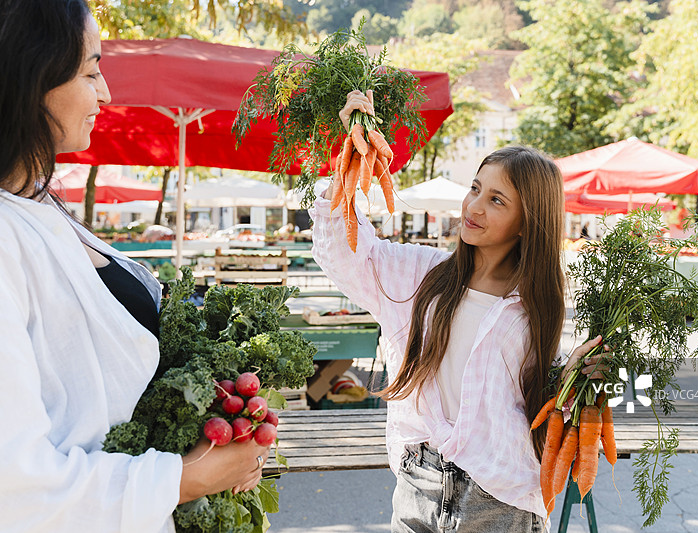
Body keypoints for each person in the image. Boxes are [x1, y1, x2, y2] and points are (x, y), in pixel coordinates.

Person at [0, 2, 268, 531]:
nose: (106, 93)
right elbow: (14, 482)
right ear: (31, 75)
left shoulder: (41, 207)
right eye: (91, 70)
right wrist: (188, 476)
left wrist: (216, 409)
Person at [311, 90, 609, 533]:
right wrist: (353, 155)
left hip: (498, 499)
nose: (473, 207)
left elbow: (532, 398)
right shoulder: (421, 276)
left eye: (497, 200)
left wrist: (574, 378)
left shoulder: (536, 307)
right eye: (475, 189)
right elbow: (344, 251)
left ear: (529, 221)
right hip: (418, 484)